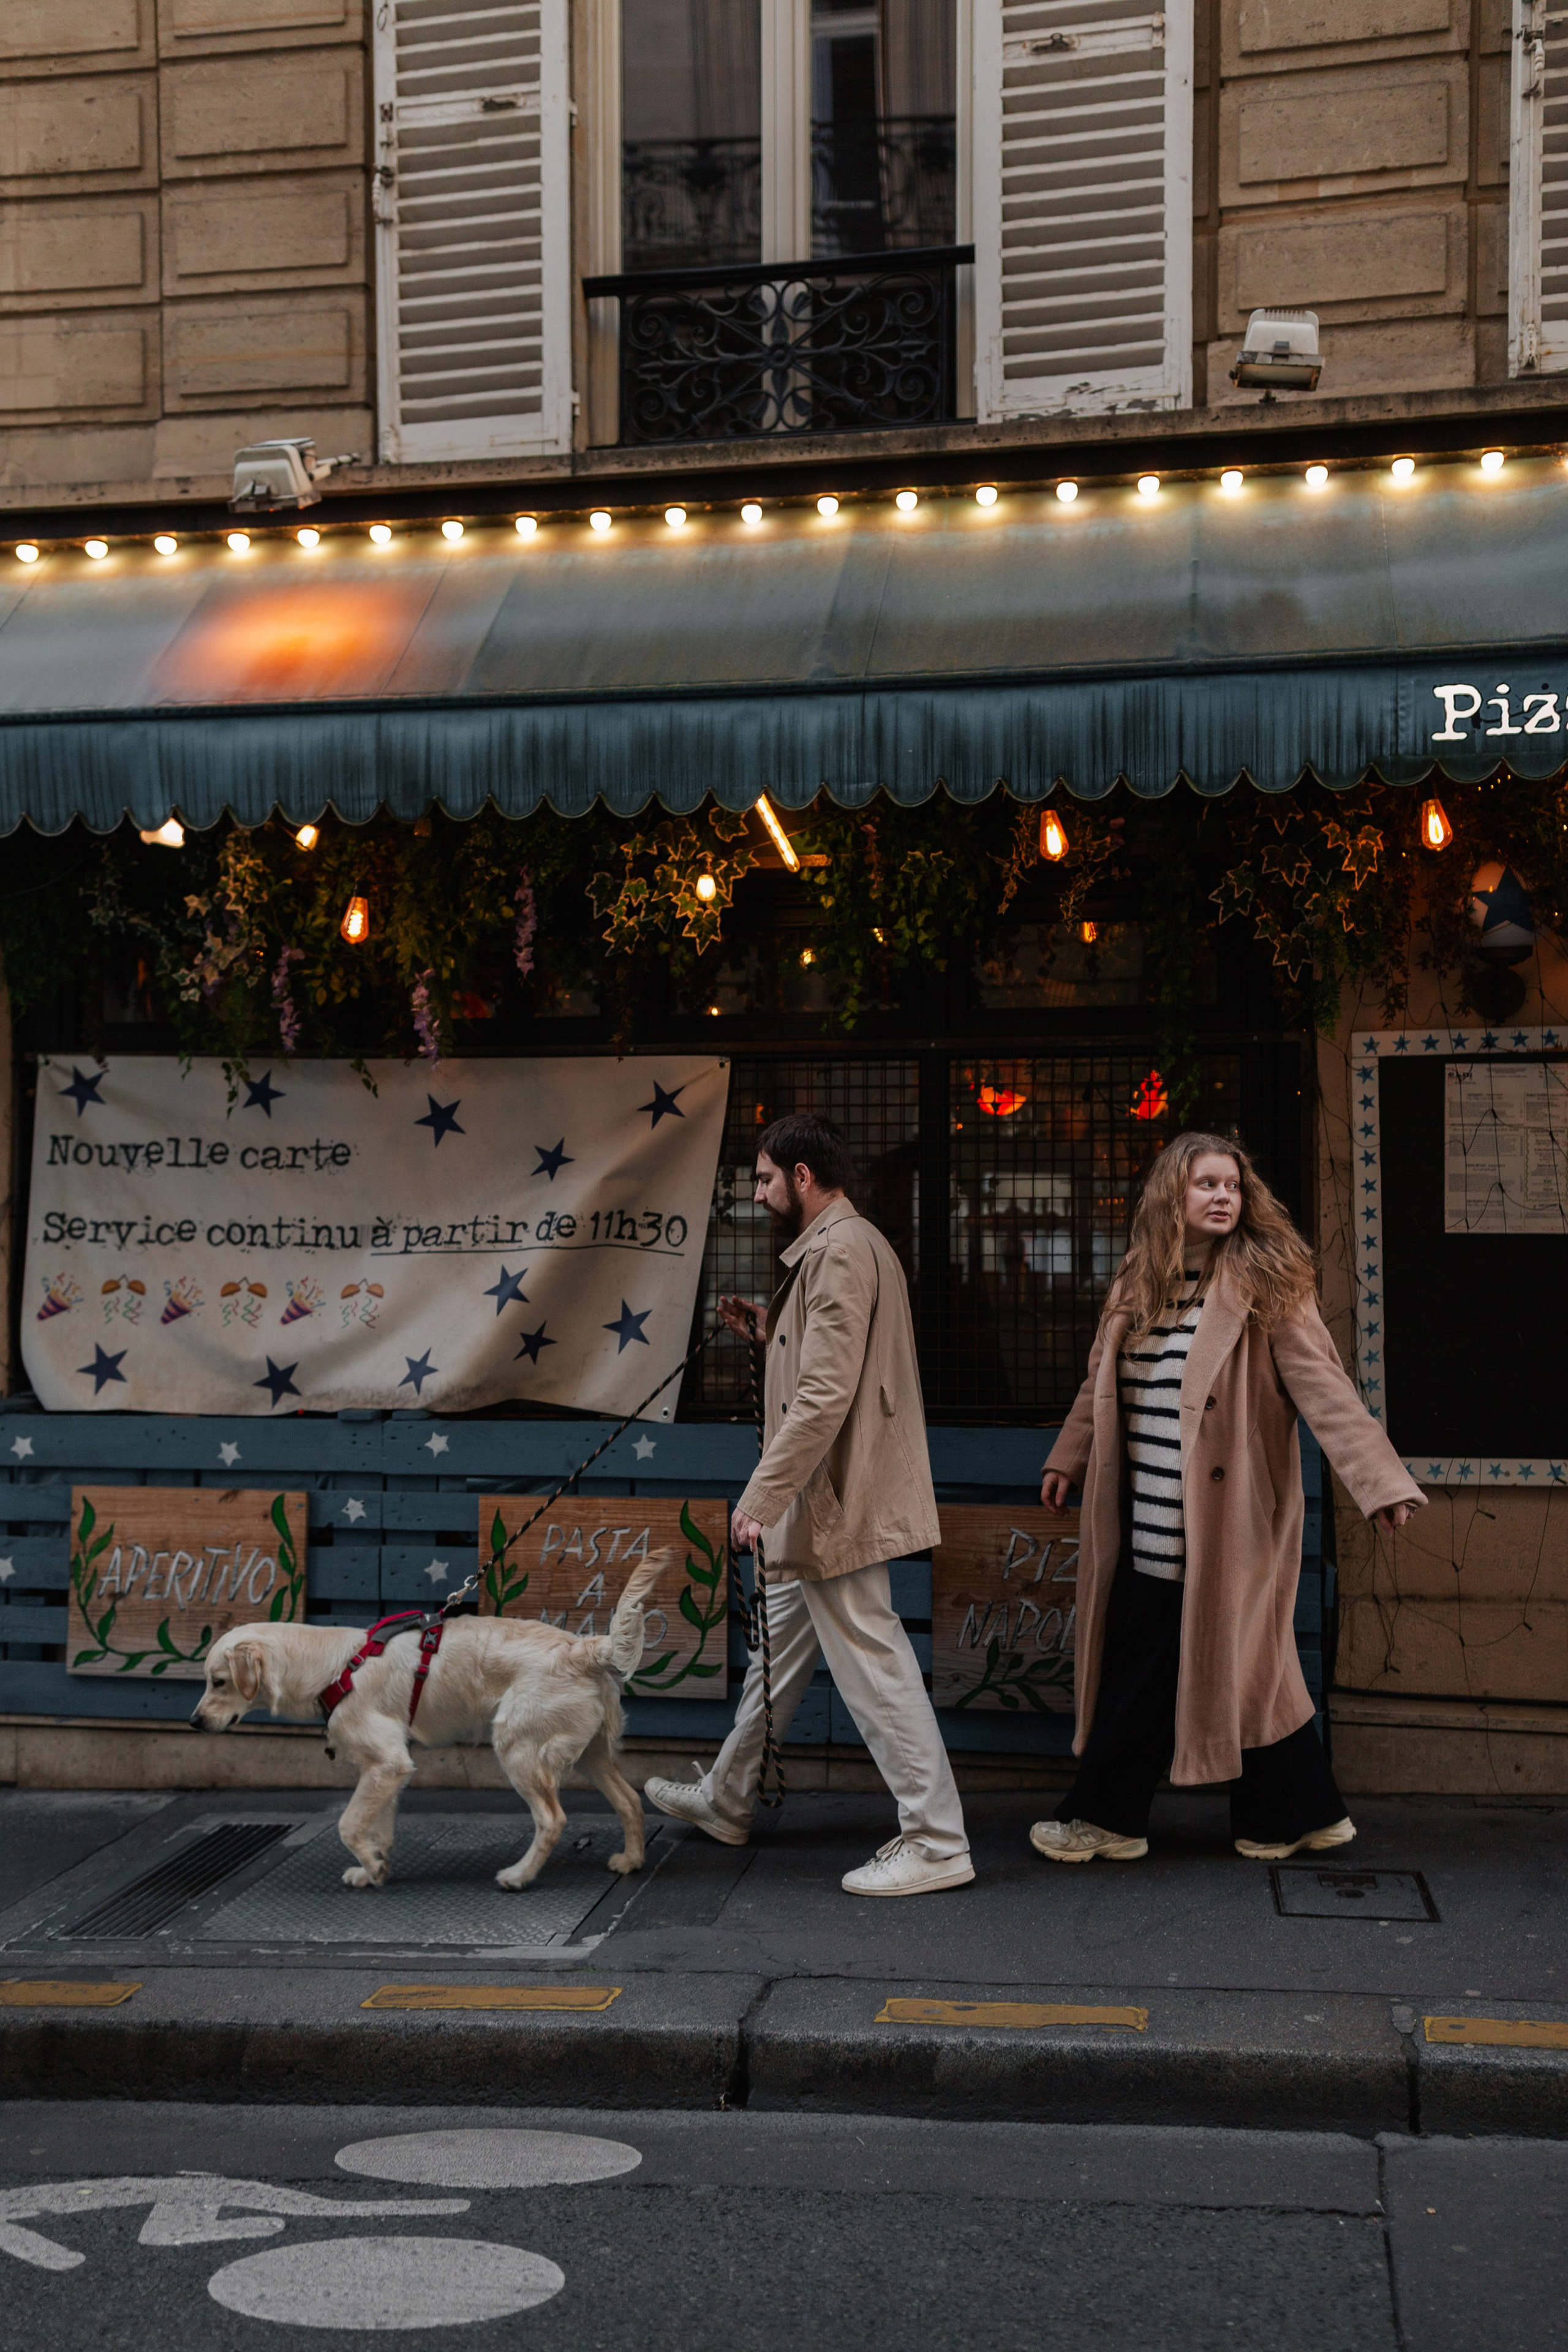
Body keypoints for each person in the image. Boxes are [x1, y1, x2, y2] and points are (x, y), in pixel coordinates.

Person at [1032, 1130, 1422, 1867]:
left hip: (1224, 1523)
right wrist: (1069, 1456)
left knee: (1168, 1666)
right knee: (1239, 1668)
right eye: (1205, 1184)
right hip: (1142, 1518)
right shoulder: (1137, 1283)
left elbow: (1326, 1392)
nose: (1221, 1197)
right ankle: (1293, 1816)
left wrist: (1378, 1483)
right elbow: (1100, 1383)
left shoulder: (1266, 1283)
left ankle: (1105, 1818)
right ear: (1169, 1198)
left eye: (1231, 1186)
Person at [644, 1114, 973, 1897]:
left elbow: (826, 1392)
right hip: (823, 1492)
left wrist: (760, 1496)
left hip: (830, 1495)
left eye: (763, 1179)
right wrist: (770, 1331)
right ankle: (729, 1797)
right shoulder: (843, 1247)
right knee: (782, 1651)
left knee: (871, 1657)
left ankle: (935, 1839)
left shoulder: (837, 1252)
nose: (756, 1194)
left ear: (800, 1176)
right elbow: (833, 1361)